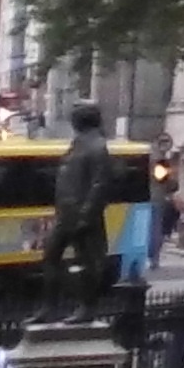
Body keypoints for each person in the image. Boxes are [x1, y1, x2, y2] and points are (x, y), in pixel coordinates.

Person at [45, 102, 116, 316]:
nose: (72, 120)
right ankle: (48, 308)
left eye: (74, 116)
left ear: (82, 119)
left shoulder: (97, 145)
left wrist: (86, 215)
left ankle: (86, 307)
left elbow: (100, 184)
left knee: (86, 263)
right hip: (66, 215)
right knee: (50, 257)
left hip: (83, 217)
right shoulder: (78, 143)